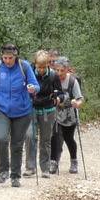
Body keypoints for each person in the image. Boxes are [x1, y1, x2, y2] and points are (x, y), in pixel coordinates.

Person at [0, 43, 38, 187]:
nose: (7, 61)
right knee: (1, 138)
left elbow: (35, 84)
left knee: (17, 143)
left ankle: (15, 176)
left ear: (16, 56)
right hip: (1, 109)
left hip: (22, 111)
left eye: (10, 58)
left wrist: (32, 89)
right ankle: (3, 171)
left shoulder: (24, 67)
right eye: (5, 58)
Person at [25, 50, 60, 178]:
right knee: (29, 137)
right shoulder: (29, 74)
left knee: (45, 140)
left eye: (43, 67)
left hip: (48, 111)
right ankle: (30, 167)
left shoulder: (53, 76)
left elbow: (59, 92)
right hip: (31, 109)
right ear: (35, 64)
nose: (41, 69)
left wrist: (58, 98)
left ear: (48, 65)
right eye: (39, 67)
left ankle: (45, 169)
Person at [49, 56, 84, 173]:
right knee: (54, 137)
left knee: (69, 138)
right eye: (57, 70)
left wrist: (76, 103)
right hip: (56, 113)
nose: (59, 73)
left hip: (70, 115)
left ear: (67, 69)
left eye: (62, 70)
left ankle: (74, 161)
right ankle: (53, 162)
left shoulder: (73, 81)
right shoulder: (53, 79)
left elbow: (80, 99)